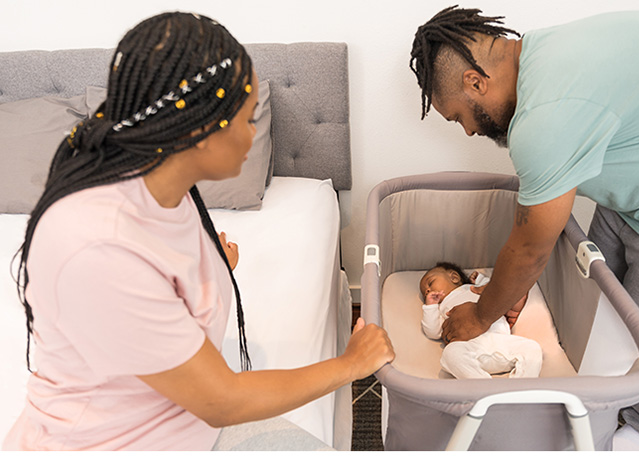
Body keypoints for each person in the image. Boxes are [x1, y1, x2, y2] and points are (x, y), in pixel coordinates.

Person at [3, 12, 394, 451]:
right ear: (202, 129)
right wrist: (351, 364)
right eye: (248, 120)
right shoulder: (98, 248)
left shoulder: (166, 187)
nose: (254, 136)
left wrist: (210, 268)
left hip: (177, 427)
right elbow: (221, 401)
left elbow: (158, 273)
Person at [409, 6, 639, 450]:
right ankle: (601, 408)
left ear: (475, 82)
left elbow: (530, 246)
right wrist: (511, 285)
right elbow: (535, 232)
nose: (466, 131)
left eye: (458, 116)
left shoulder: (545, 116)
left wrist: (482, 316)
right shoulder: (544, 52)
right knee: (604, 317)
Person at [420, 262, 541, 379]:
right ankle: (484, 387)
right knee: (450, 354)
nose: (428, 291)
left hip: (501, 342)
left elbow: (495, 289)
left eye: (430, 283)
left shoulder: (475, 289)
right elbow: (433, 331)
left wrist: (480, 280)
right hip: (471, 348)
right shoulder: (442, 308)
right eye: (425, 292)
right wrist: (430, 307)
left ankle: (521, 388)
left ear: (454, 277)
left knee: (532, 348)